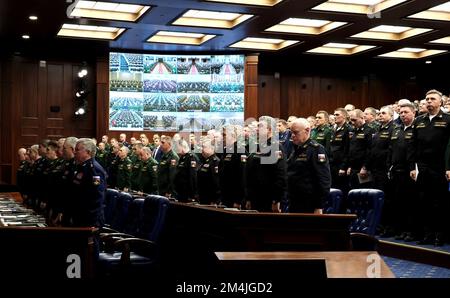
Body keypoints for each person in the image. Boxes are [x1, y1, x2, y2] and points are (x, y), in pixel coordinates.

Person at [408, 89, 450, 246]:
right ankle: (427, 234)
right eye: (427, 99)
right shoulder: (419, 120)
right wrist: (412, 166)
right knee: (423, 201)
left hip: (439, 166)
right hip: (422, 167)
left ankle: (440, 235)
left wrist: (448, 167)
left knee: (439, 202)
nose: (429, 101)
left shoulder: (447, 119)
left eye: (432, 99)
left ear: (441, 102)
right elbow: (412, 145)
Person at [287, 118, 331, 213]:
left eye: (296, 132)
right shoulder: (296, 149)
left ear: (307, 130)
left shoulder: (316, 149)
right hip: (294, 200)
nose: (292, 136)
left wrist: (319, 206)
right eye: (291, 133)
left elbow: (324, 180)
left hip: (309, 203)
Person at [245, 116, 287, 212]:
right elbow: (251, 174)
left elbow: (280, 175)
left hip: (268, 198)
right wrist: (248, 198)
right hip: (255, 197)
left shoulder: (275, 147)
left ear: (269, 129)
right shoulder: (258, 146)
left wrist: (276, 200)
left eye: (260, 126)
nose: (257, 129)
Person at [66, 138, 107, 228]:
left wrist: (92, 221)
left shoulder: (94, 170)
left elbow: (97, 196)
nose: (75, 152)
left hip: (89, 219)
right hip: (79, 215)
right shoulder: (81, 167)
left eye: (77, 150)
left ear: (88, 152)